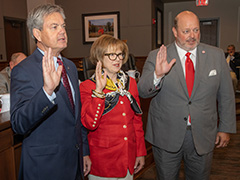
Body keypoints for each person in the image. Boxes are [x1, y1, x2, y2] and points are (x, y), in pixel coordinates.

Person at [138, 11, 236, 180]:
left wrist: (225, 127)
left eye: (196, 30)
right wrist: (157, 75)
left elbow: (226, 95)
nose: (192, 36)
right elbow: (142, 91)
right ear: (175, 32)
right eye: (186, 31)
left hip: (203, 134)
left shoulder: (216, 55)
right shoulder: (158, 56)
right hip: (166, 135)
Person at [10, 4, 90, 180]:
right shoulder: (23, 70)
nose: (62, 31)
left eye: (63, 26)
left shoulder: (69, 66)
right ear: (37, 34)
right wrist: (47, 92)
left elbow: (76, 117)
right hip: (45, 167)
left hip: (74, 162)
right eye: (54, 27)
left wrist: (84, 151)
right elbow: (18, 124)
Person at [80, 34, 146, 179]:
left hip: (128, 159)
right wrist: (98, 92)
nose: (118, 59)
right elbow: (89, 124)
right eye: (111, 55)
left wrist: (140, 152)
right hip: (103, 162)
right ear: (99, 57)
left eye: (120, 54)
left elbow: (136, 121)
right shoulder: (87, 87)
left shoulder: (130, 83)